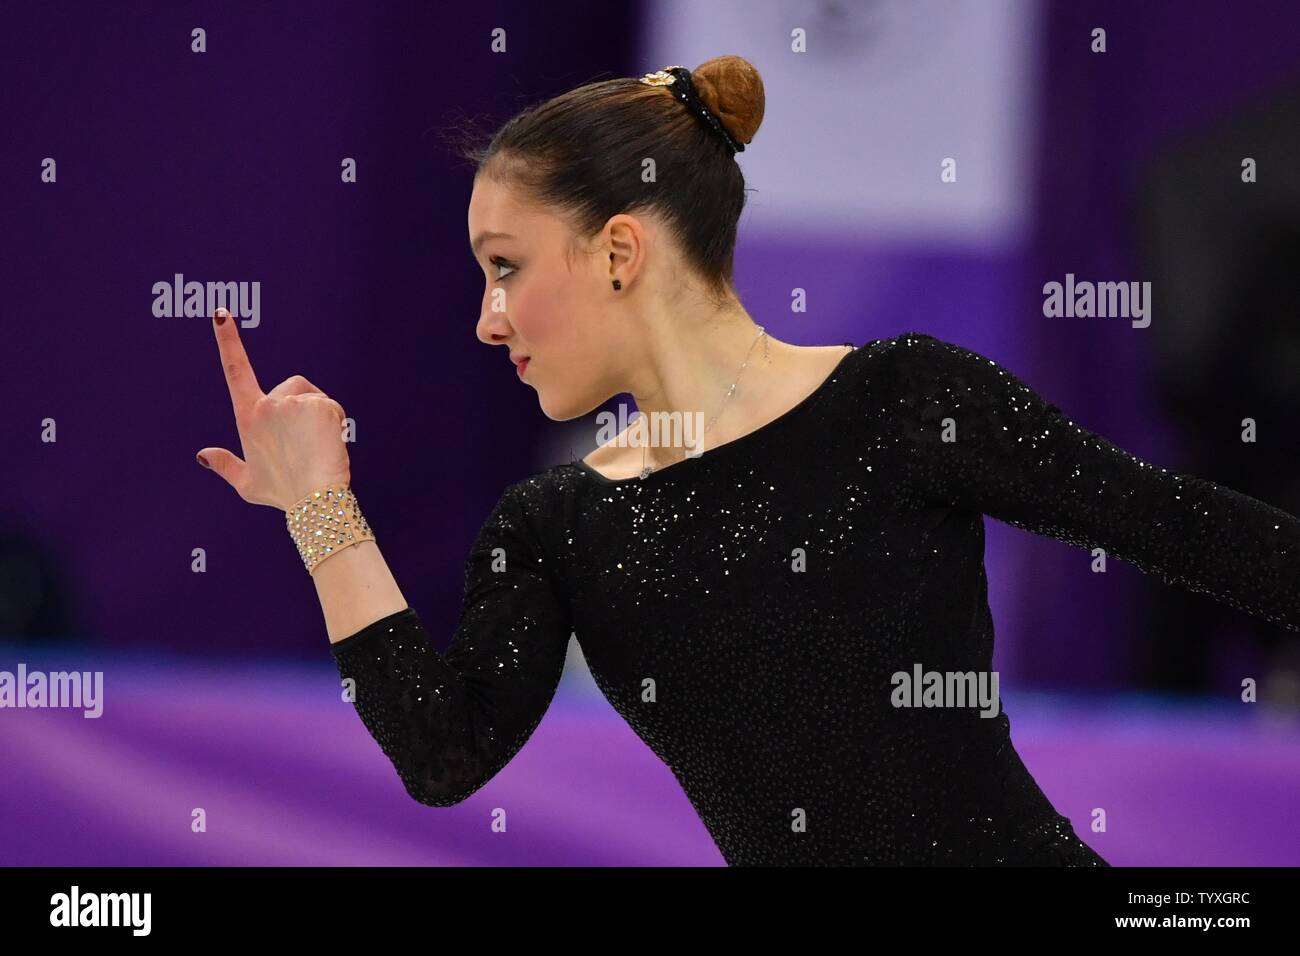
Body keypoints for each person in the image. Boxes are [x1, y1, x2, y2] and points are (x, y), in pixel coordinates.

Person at [196, 56, 1300, 865]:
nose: (487, 319)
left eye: (504, 265)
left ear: (619, 249)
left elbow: (1192, 531)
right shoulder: (556, 524)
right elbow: (443, 753)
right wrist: (319, 509)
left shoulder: (901, 399)